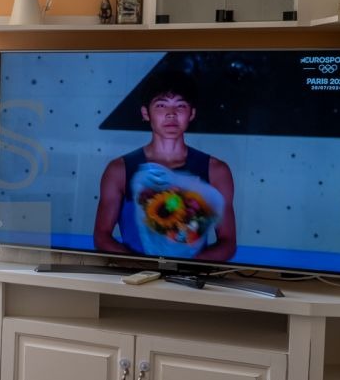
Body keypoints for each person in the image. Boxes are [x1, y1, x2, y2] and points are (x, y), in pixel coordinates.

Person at [92, 71, 237, 261]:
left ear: (192, 113)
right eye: (161, 105)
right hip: (133, 276)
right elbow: (102, 237)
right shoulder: (119, 170)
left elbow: (228, 243)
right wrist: (142, 267)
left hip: (190, 278)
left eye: (180, 106)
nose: (171, 114)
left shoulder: (216, 171)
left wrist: (184, 266)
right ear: (146, 113)